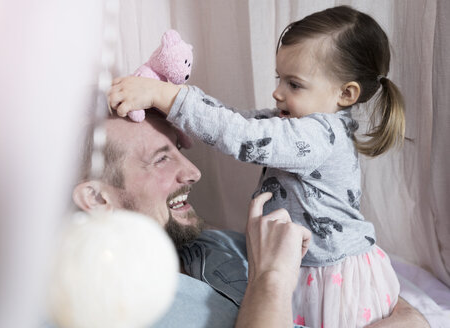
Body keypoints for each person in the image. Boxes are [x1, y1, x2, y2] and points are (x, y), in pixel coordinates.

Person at [108, 6, 405, 327]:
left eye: (294, 84)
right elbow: (235, 119)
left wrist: (168, 96)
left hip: (332, 272)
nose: (277, 93)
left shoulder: (320, 134)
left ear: (346, 93)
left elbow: (243, 136)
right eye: (280, 79)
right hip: (306, 265)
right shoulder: (297, 124)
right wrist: (175, 108)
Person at [71, 111, 428, 327]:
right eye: (162, 159)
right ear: (98, 198)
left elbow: (401, 312)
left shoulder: (216, 245)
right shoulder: (112, 305)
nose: (194, 172)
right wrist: (270, 281)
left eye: (179, 152)